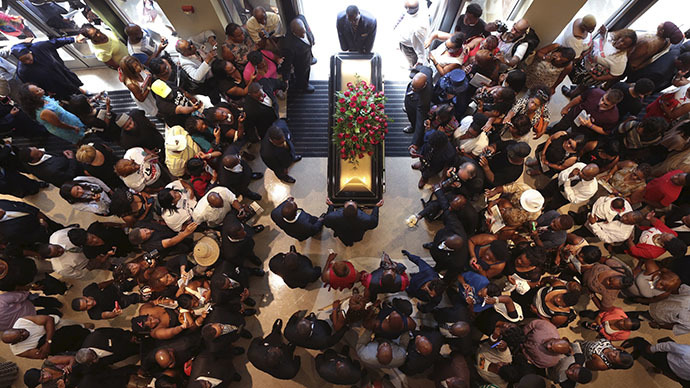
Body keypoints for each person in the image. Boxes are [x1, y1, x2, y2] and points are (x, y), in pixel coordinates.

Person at [566, 27, 637, 97]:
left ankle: (572, 94)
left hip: (591, 74)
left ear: (628, 47)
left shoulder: (621, 60)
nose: (621, 43)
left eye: (625, 44)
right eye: (622, 40)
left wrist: (597, 78)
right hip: (585, 62)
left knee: (582, 86)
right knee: (576, 78)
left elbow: (615, 75)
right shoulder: (610, 36)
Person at [12, 38, 83, 100]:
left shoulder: (39, 47)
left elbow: (55, 42)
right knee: (66, 97)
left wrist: (74, 39)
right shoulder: (22, 71)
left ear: (30, 52)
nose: (28, 62)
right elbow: (31, 85)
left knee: (74, 86)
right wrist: (45, 92)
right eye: (23, 61)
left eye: (28, 58)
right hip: (52, 85)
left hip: (62, 73)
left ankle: (84, 96)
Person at [18, 83, 85, 144]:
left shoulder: (42, 98)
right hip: (66, 126)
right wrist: (73, 128)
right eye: (37, 91)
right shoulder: (45, 112)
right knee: (78, 138)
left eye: (38, 87)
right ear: (34, 98)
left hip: (66, 118)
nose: (40, 89)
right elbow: (59, 124)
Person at [2, 314, 89, 359]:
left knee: (79, 327)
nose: (24, 334)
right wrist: (49, 341)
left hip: (57, 327)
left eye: (20, 331)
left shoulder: (22, 321)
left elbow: (49, 319)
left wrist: (48, 342)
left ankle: (83, 326)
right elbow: (42, 354)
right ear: (15, 343)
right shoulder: (18, 351)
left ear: (14, 328)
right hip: (56, 342)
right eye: (21, 338)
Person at [551, 87, 623, 139]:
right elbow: (579, 99)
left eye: (606, 104)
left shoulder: (613, 117)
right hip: (573, 114)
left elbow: (605, 132)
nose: (601, 103)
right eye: (602, 99)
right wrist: (566, 108)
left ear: (614, 105)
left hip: (584, 130)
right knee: (560, 126)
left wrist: (590, 125)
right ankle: (552, 131)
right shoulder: (595, 92)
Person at [623, 337, 690, 386]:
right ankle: (636, 341)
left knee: (652, 360)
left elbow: (682, 382)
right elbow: (671, 346)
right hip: (666, 357)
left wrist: (665, 373)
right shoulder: (688, 353)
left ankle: (640, 352)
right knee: (648, 352)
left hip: (675, 372)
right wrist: (652, 349)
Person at [175, 37, 219, 103]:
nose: (192, 46)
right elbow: (196, 77)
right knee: (214, 94)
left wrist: (211, 40)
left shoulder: (192, 41)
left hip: (211, 70)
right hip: (205, 82)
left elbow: (206, 33)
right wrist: (207, 60)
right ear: (184, 53)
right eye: (189, 48)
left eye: (190, 43)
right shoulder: (184, 62)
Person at [15, 146, 83, 187]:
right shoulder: (50, 171)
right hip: (78, 170)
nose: (41, 150)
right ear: (33, 160)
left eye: (36, 148)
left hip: (64, 159)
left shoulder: (28, 160)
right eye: (38, 153)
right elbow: (69, 175)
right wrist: (71, 159)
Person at [71, 280, 140, 321]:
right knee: (136, 298)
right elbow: (105, 315)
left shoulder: (87, 290)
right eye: (86, 307)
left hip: (114, 289)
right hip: (120, 303)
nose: (90, 304)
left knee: (133, 282)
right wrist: (114, 313)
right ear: (84, 310)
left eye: (86, 301)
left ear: (84, 297)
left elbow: (101, 285)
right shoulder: (93, 315)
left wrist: (113, 281)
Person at [281, 16, 315, 93]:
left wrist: (312, 39)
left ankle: (311, 58)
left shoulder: (301, 19)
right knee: (303, 74)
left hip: (307, 52)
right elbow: (287, 63)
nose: (303, 36)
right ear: (294, 32)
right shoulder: (288, 45)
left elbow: (308, 30)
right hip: (301, 63)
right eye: (300, 35)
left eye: (304, 32)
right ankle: (303, 85)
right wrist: (286, 78)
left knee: (308, 54)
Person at [129, 220, 196, 258]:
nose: (148, 232)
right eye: (146, 235)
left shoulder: (140, 224)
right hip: (173, 244)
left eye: (145, 230)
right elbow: (170, 242)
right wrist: (185, 233)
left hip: (168, 230)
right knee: (188, 246)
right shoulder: (150, 246)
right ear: (143, 241)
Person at [404, 66, 433, 152]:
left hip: (417, 103)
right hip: (411, 99)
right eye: (413, 86)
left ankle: (414, 130)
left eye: (415, 88)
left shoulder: (425, 98)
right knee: (409, 110)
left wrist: (415, 143)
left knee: (415, 118)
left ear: (424, 85)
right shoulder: (425, 71)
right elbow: (427, 68)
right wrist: (416, 66)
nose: (413, 89)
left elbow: (420, 120)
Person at [395, 0, 429, 68]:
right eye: (405, 7)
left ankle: (411, 67)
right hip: (404, 39)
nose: (406, 10)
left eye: (407, 8)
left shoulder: (417, 28)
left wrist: (421, 59)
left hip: (408, 47)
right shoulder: (422, 4)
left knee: (412, 61)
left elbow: (420, 44)